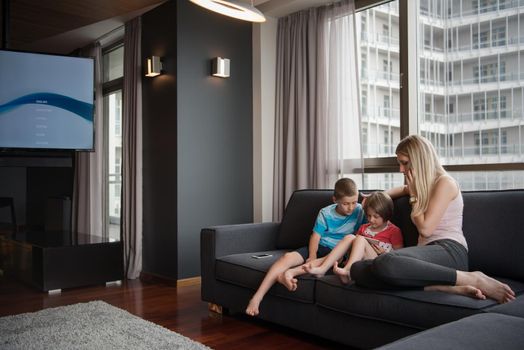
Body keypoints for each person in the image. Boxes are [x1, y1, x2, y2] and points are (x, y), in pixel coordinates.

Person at [350, 135, 515, 304]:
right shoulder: (422, 186)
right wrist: (377, 197)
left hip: (449, 251)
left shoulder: (445, 183)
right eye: (399, 163)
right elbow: (402, 189)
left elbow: (426, 229)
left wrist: (414, 196)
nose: (401, 169)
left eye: (405, 163)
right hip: (425, 258)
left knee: (386, 262)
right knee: (357, 270)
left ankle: (471, 278)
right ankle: (438, 287)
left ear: (419, 159)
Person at [245, 178, 366, 316]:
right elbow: (315, 236)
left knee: (321, 261)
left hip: (339, 251)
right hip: (320, 246)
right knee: (287, 257)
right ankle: (258, 296)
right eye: (345, 203)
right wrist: (312, 255)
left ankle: (287, 274)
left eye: (354, 202)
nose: (351, 207)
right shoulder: (325, 213)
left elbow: (373, 221)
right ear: (335, 200)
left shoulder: (360, 211)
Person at [303, 191, 403, 284]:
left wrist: (384, 253)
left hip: (379, 263)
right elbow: (354, 247)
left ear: (386, 215)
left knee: (359, 238)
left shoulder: (393, 231)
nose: (371, 219)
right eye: (368, 215)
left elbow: (399, 256)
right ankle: (323, 269)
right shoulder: (364, 228)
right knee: (350, 237)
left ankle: (348, 271)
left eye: (376, 216)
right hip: (361, 263)